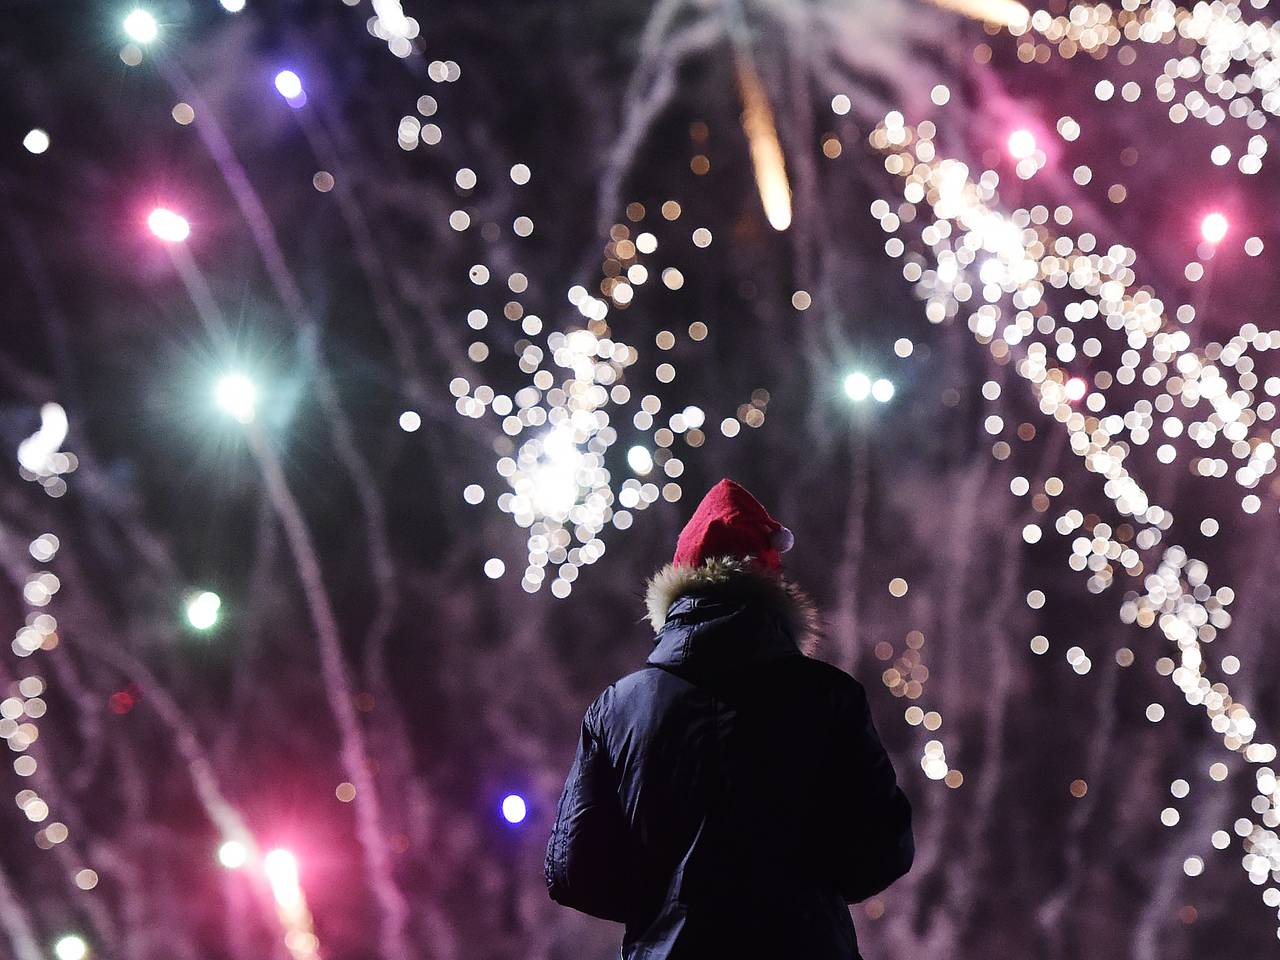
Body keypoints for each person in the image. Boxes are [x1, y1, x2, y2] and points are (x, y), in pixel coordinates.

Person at [545, 478, 914, 959]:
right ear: (773, 583)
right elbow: (884, 849)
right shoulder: (830, 698)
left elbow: (574, 870)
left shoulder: (617, 710)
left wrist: (666, 903)